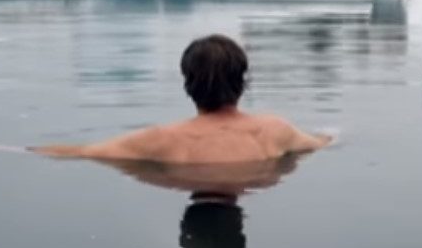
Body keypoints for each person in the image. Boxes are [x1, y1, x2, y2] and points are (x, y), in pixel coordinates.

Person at [29, 34, 332, 163]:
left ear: (188, 84)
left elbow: (81, 153)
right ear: (242, 83)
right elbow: (324, 142)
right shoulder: (275, 131)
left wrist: (17, 149)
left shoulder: (158, 140)